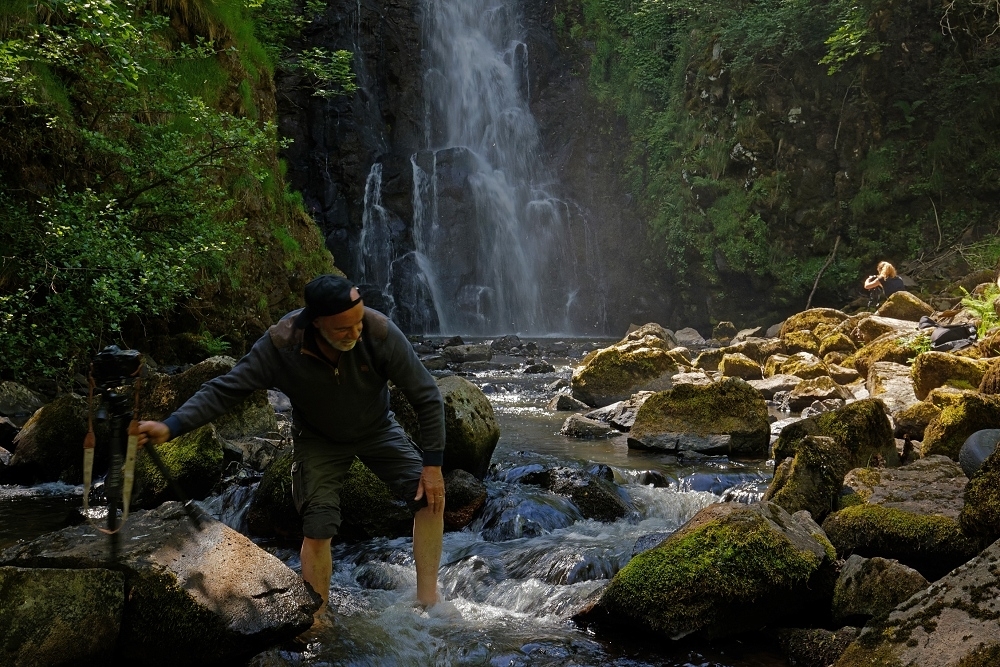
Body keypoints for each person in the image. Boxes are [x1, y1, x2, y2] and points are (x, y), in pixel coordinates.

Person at [137, 274, 446, 613]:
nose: (355, 333)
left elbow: (427, 396)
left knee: (430, 499)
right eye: (344, 329)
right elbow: (224, 390)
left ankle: (427, 601)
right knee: (318, 526)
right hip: (318, 438)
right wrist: (170, 426)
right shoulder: (281, 345)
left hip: (378, 428)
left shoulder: (380, 331)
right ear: (316, 322)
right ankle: (317, 617)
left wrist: (432, 465)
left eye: (359, 323)